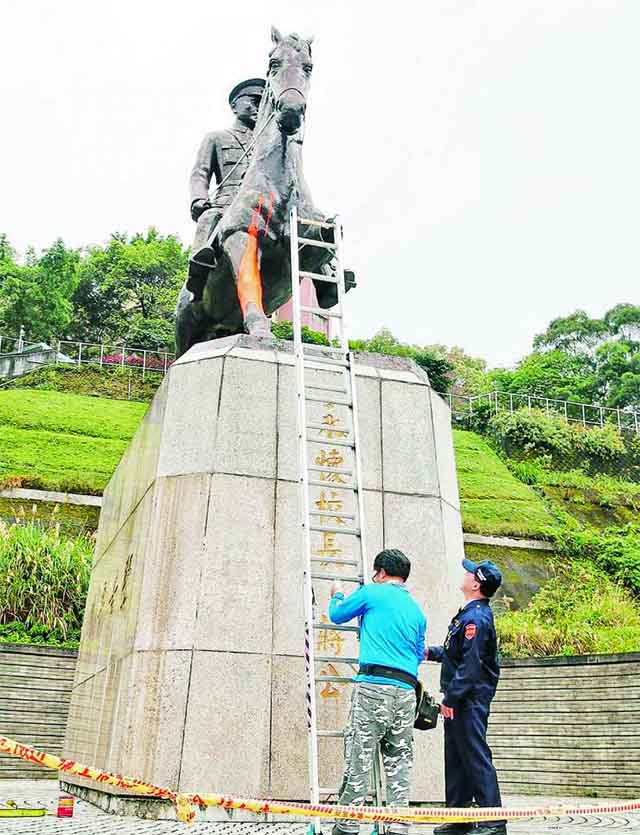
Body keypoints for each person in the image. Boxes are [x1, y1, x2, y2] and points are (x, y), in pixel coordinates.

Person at [328, 548, 427, 835]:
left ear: (382, 572)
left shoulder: (372, 592)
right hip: (407, 692)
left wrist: (336, 592)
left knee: (359, 754)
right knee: (399, 759)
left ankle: (347, 826)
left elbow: (337, 615)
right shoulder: (417, 611)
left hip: (373, 687)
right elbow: (418, 653)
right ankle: (397, 827)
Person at [425, 558, 506, 835]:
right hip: (461, 698)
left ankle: (493, 822)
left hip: (468, 700)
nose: (465, 573)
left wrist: (450, 700)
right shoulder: (469, 614)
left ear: (476, 583)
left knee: (474, 756)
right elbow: (455, 653)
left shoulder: (476, 619)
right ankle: (459, 818)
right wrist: (430, 652)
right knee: (457, 757)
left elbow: (470, 667)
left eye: (469, 572)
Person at [187, 77, 266, 298]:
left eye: (262, 102)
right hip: (227, 203)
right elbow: (200, 174)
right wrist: (198, 199)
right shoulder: (217, 138)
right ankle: (198, 271)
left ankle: (326, 274)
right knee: (209, 216)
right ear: (234, 106)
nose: (258, 107)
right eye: (253, 100)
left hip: (264, 206)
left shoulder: (268, 143)